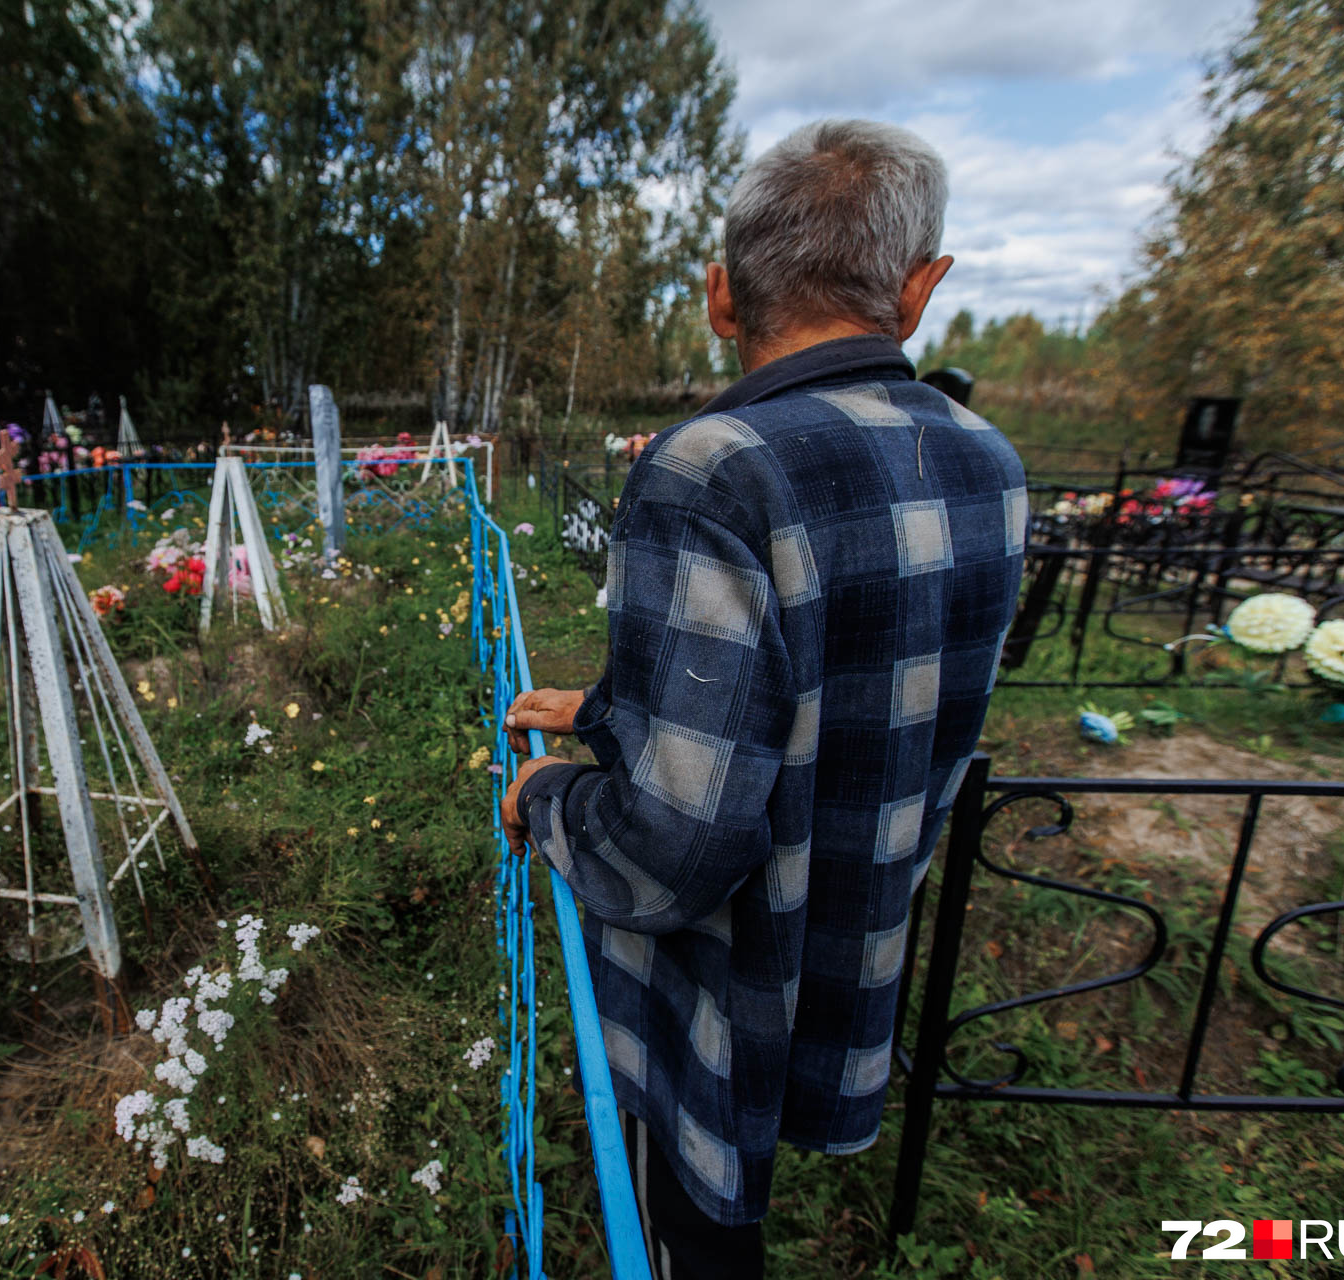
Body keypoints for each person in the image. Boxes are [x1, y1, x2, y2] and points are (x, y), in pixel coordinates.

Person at [499, 119, 1026, 1279]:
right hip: (852, 932)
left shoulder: (714, 466)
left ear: (721, 295)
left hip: (717, 986)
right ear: (921, 290)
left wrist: (548, 800)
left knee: (690, 1224)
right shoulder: (986, 460)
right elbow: (831, 677)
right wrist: (604, 707)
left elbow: (672, 849)